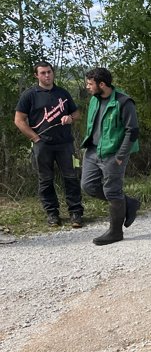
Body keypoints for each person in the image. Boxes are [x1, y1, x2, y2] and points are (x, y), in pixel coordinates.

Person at [14, 61, 85, 227]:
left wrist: (70, 118)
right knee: (45, 180)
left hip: (65, 144)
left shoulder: (62, 93)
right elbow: (19, 120)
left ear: (53, 73)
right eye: (43, 73)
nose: (47, 75)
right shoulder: (30, 95)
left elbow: (77, 114)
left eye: (49, 72)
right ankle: (52, 214)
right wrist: (35, 138)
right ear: (36, 75)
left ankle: (76, 213)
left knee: (71, 177)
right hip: (42, 145)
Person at [81, 67, 141, 246]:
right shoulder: (94, 100)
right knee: (88, 186)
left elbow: (133, 131)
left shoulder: (123, 101)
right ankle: (129, 203)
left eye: (90, 84)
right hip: (93, 151)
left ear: (102, 84)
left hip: (114, 153)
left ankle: (115, 232)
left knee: (112, 191)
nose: (87, 87)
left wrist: (121, 156)